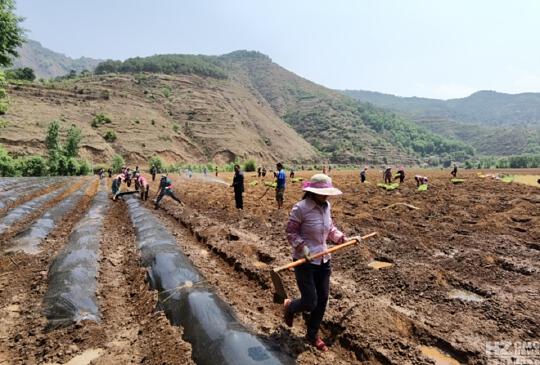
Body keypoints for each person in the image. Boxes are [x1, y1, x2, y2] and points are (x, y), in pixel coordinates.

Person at [284, 174, 356, 352]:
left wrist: (343, 239)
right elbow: (291, 232)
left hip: (324, 260)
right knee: (310, 301)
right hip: (305, 261)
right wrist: (303, 248)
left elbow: (330, 228)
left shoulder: (326, 206)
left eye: (327, 193)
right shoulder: (300, 208)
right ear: (312, 192)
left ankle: (312, 334)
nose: (326, 196)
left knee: (322, 299)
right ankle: (290, 306)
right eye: (322, 193)